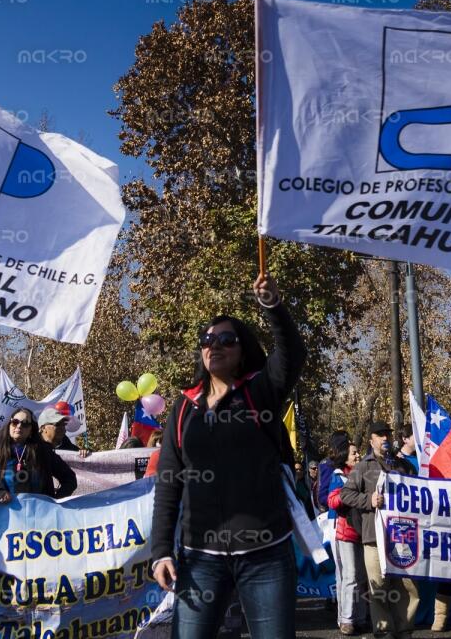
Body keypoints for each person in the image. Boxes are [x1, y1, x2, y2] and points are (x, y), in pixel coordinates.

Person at [151, 273, 304, 639]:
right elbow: (168, 482)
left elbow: (292, 354)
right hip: (199, 558)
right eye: (207, 339)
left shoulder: (259, 392)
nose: (214, 345)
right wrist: (160, 551)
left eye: (226, 339)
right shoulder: (184, 408)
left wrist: (273, 307)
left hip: (266, 556)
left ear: (242, 351)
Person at [341, 420, 419, 639]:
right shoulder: (363, 466)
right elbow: (346, 494)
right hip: (373, 537)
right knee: (379, 588)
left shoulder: (403, 465)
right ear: (371, 440)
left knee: (406, 586)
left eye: (387, 434)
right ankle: (384, 631)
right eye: (380, 435)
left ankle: (404, 630)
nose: (385, 438)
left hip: (403, 537)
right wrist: (369, 499)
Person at [0, 406, 76, 501]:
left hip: (41, 516)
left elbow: (70, 479)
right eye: (15, 422)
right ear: (9, 425)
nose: (19, 426)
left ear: (31, 429)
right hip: (9, 517)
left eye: (25, 423)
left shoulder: (44, 451)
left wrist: (55, 501)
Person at [326, 442, 368, 636]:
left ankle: (360, 618)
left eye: (358, 452)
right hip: (346, 533)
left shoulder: (365, 473)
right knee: (349, 576)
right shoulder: (338, 476)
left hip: (363, 532)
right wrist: (348, 493)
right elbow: (331, 501)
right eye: (354, 453)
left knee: (361, 578)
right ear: (345, 457)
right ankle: (346, 620)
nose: (358, 455)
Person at [316, 430, 351, 518]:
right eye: (347, 443)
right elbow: (322, 497)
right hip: (334, 517)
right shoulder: (327, 464)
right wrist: (341, 500)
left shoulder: (346, 463)